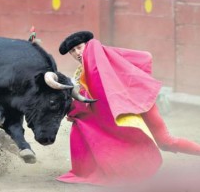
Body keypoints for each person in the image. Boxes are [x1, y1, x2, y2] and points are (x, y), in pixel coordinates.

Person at [57, 31, 200, 186]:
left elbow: (145, 57)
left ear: (88, 45)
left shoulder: (107, 58)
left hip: (139, 101)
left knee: (166, 142)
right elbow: (91, 101)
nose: (77, 53)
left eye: (79, 47)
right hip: (123, 110)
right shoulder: (80, 73)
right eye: (72, 51)